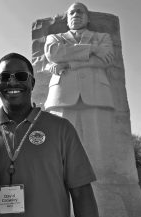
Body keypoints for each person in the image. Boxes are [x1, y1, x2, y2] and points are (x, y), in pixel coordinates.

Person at [0, 53, 102, 217]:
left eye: (20, 76)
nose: (12, 81)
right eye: (4, 76)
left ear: (32, 82)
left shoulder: (61, 128)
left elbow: (82, 196)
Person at [44, 2, 116, 181]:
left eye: (80, 11)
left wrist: (69, 64)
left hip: (96, 94)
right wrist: (92, 49)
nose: (76, 14)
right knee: (60, 143)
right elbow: (54, 54)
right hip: (62, 95)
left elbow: (105, 61)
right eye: (72, 12)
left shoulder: (102, 37)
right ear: (67, 19)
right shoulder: (55, 38)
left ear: (88, 17)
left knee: (97, 143)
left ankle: (101, 181)